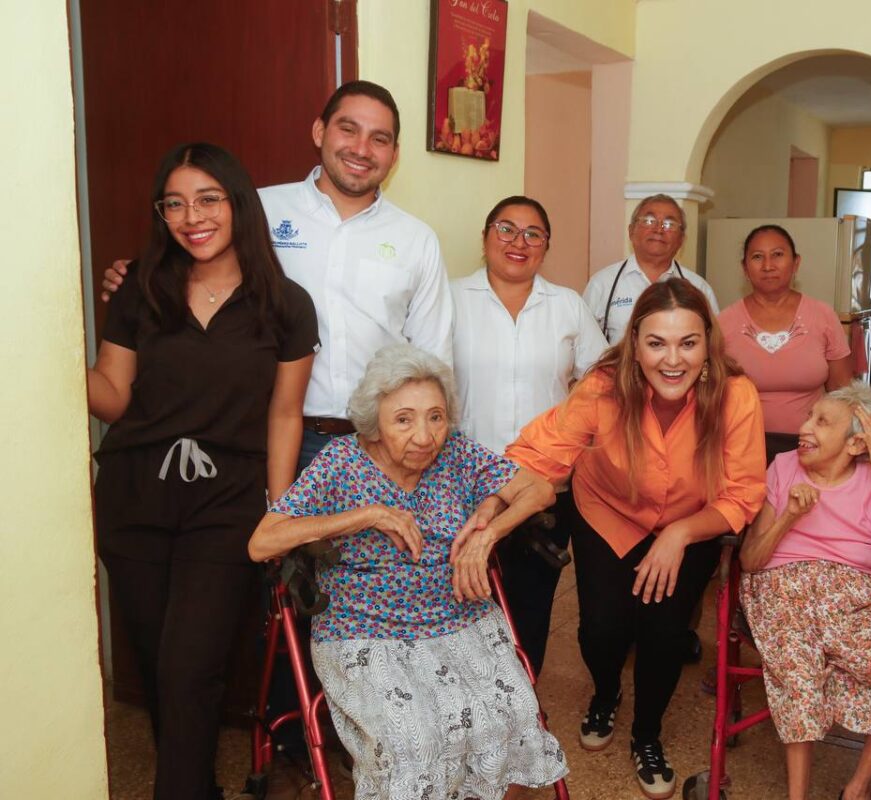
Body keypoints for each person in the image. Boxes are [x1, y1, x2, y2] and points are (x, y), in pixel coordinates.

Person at [87, 142, 318, 800]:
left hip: (228, 500)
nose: (192, 215)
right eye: (175, 203)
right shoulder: (139, 289)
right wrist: (48, 352)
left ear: (238, 204)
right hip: (134, 495)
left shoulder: (285, 305)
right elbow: (114, 395)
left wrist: (278, 512)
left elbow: (284, 415)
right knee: (164, 669)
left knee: (191, 666)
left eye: (208, 198)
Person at [247, 343, 566, 800]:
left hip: (459, 618)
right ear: (375, 424)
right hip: (364, 631)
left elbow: (538, 490)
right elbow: (262, 542)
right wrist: (365, 515)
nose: (424, 436)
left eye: (435, 417)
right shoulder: (342, 461)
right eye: (404, 419)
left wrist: (487, 532)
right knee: (415, 740)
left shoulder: (457, 454)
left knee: (513, 716)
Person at [102, 80, 454, 467]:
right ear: (320, 131)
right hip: (270, 438)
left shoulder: (416, 239)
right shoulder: (259, 211)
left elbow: (433, 359)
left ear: (395, 154)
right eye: (348, 129)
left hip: (380, 443)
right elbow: (186, 264)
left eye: (379, 139)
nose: (361, 149)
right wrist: (130, 278)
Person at [507, 278, 766, 800]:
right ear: (635, 344)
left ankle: (646, 734)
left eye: (688, 343)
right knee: (601, 628)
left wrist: (681, 533)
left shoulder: (736, 394)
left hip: (692, 522)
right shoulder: (604, 386)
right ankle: (605, 694)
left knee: (665, 634)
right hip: (608, 511)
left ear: (707, 344)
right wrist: (483, 503)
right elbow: (540, 450)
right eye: (657, 343)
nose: (673, 360)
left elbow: (743, 493)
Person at [738, 383, 871, 800]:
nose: (804, 428)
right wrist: (788, 517)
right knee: (799, 669)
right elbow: (750, 560)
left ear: (857, 443)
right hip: (783, 587)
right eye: (809, 416)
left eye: (822, 421)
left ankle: (857, 787)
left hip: (859, 595)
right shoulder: (784, 467)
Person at [451, 195, 607, 675]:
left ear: (545, 246)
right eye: (506, 229)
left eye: (532, 233)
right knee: (462, 601)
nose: (518, 242)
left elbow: (600, 381)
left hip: (544, 485)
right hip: (463, 480)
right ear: (485, 237)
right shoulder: (450, 298)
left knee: (530, 603)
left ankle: (520, 705)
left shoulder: (566, 305)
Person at [718, 224, 853, 467]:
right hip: (741, 450)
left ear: (796, 263)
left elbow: (843, 394)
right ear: (744, 268)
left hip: (812, 448)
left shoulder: (823, 316)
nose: (768, 265)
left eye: (778, 255)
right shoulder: (724, 322)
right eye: (757, 257)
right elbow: (713, 393)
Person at [583, 193, 719, 344]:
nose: (658, 230)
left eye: (669, 224)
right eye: (649, 221)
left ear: (681, 239)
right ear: (631, 231)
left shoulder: (699, 288)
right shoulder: (602, 284)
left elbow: (713, 346)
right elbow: (585, 349)